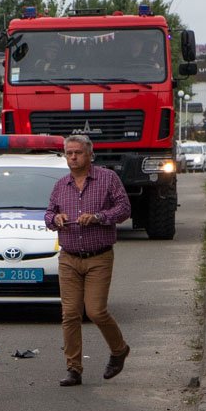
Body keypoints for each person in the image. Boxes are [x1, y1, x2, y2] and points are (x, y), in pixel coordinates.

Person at [44, 134, 133, 387]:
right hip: (69, 257)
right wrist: (56, 219)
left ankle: (119, 350)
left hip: (98, 257)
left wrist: (98, 217)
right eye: (69, 153)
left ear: (89, 154)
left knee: (95, 311)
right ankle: (74, 368)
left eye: (78, 153)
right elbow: (48, 214)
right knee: (70, 314)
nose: (73, 157)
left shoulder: (107, 178)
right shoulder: (61, 185)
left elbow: (124, 209)